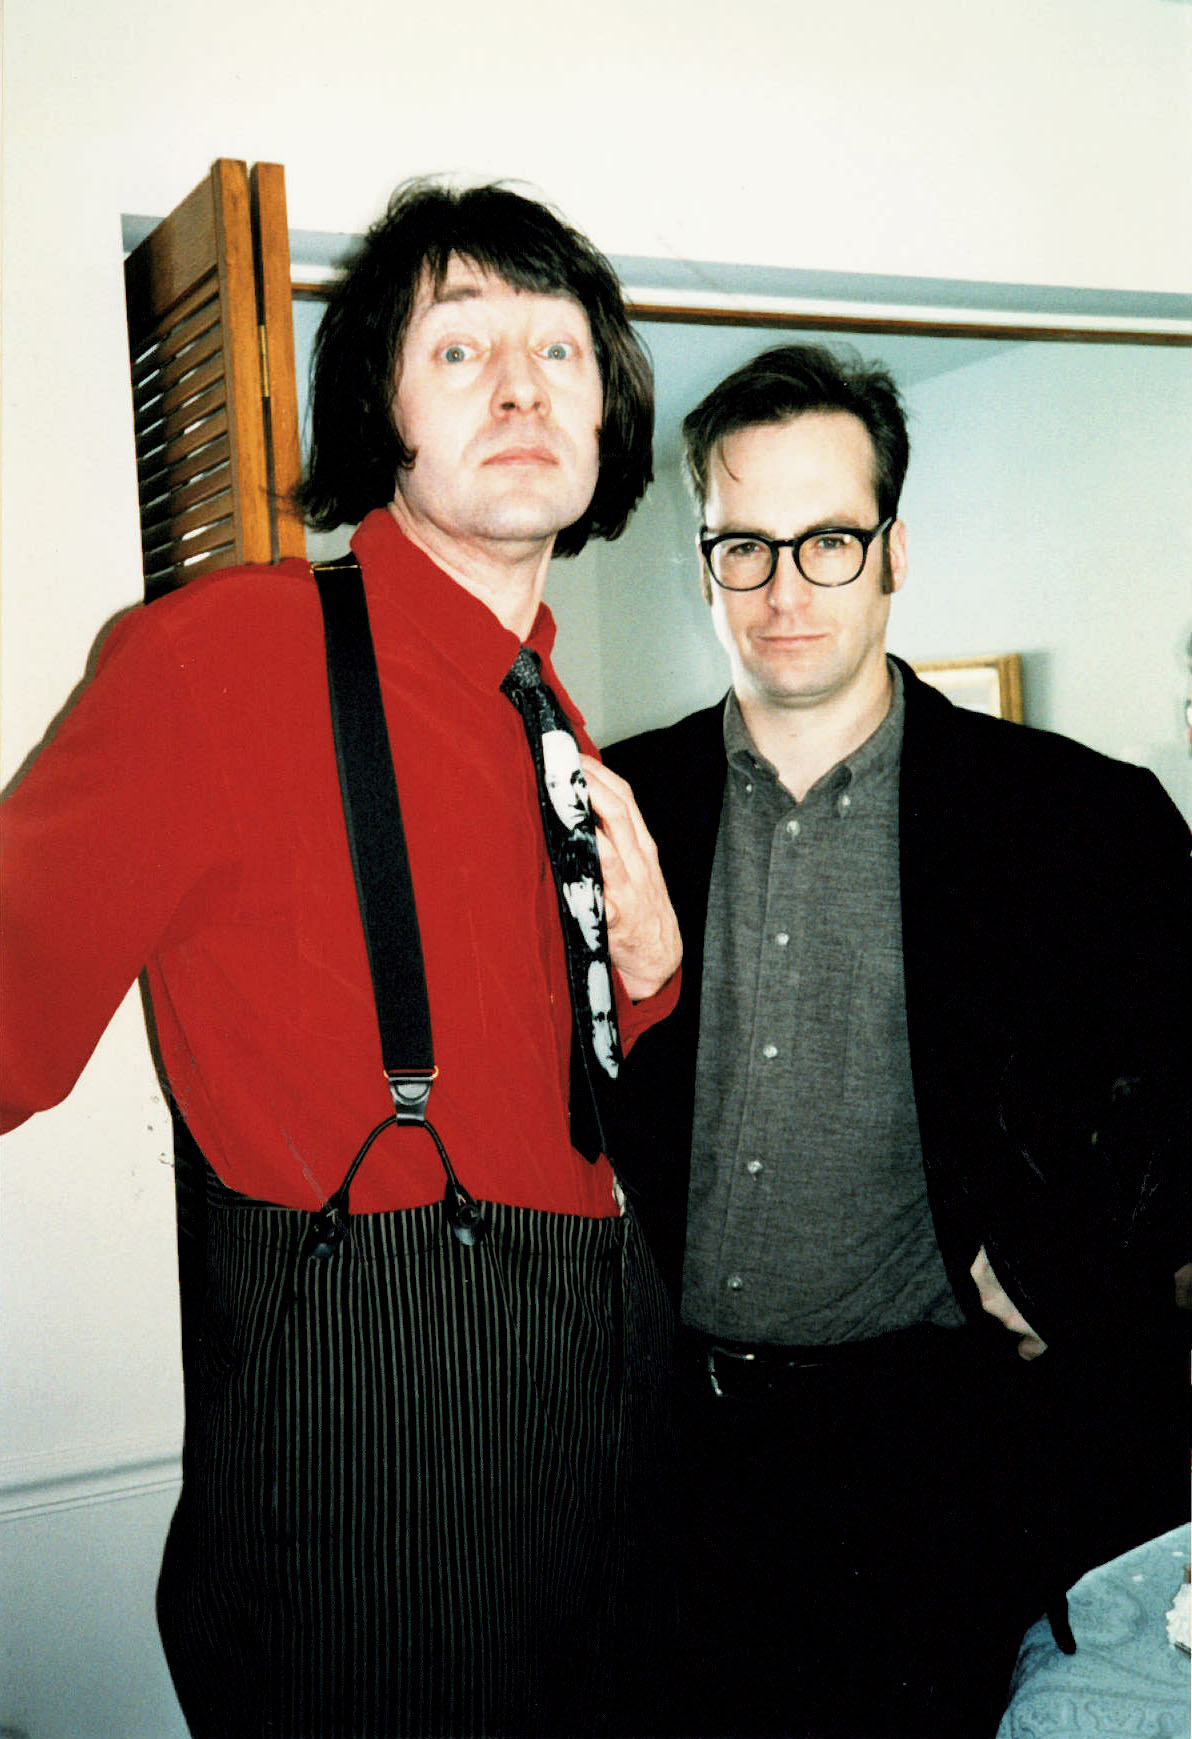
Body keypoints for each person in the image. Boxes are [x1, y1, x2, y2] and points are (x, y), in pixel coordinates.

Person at [0, 178, 682, 1739]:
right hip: (378, 1467)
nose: (521, 387)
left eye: (560, 351)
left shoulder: (551, 711)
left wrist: (647, 975)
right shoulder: (216, 661)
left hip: (598, 1406)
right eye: (460, 348)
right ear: (380, 406)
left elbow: (550, 1071)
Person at [602, 343, 1191, 1739]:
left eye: (828, 541)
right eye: (744, 547)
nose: (785, 589)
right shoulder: (618, 806)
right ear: (703, 564)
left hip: (943, 1459)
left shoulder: (1076, 818)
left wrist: (1063, 1265)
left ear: (894, 553)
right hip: (666, 1455)